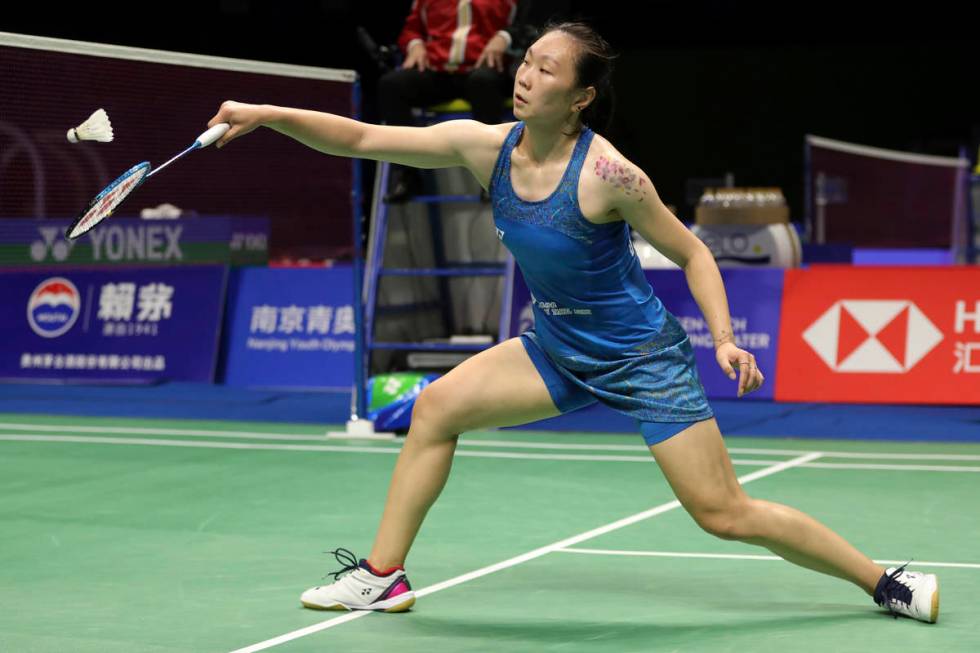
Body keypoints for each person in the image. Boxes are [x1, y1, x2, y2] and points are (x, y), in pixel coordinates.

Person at [206, 22, 939, 624]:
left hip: (642, 358)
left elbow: (692, 252)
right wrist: (268, 115)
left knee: (723, 513)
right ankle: (383, 574)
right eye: (526, 61)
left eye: (546, 69)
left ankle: (884, 581)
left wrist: (722, 337)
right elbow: (363, 140)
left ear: (581, 97)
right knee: (434, 409)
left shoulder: (609, 176)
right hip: (556, 348)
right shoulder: (485, 147)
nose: (526, 76)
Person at [380, 0, 516, 202]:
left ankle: (493, 175)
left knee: (483, 82)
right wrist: (415, 45)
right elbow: (412, 29)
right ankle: (407, 174)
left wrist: (505, 37)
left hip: (484, 70)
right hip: (439, 71)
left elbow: (527, 21)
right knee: (391, 85)